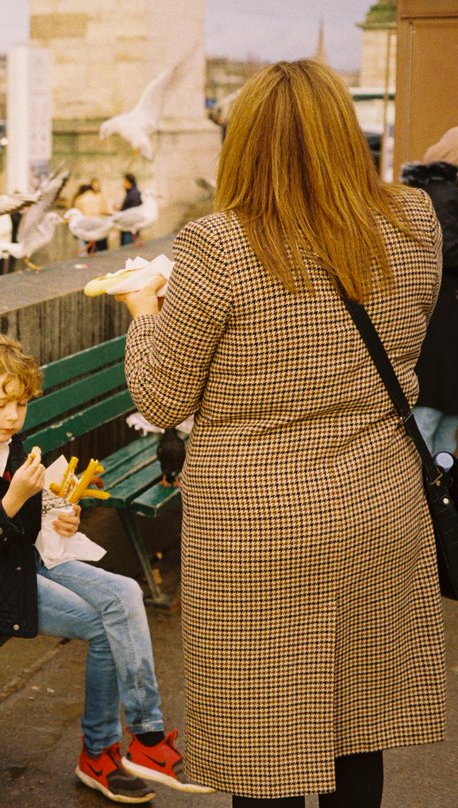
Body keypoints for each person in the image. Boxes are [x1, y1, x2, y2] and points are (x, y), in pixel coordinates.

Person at [113, 60, 446, 807]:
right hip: (380, 508)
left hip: (258, 530)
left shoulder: (218, 247)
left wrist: (143, 309)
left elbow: (162, 397)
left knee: (265, 747)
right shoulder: (412, 224)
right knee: (358, 732)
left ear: (245, 143)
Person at [0, 334, 210, 805]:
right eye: (1, 404)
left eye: (21, 405)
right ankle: (101, 753)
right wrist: (14, 500)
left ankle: (146, 736)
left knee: (125, 593)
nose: (13, 417)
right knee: (106, 624)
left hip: (15, 563)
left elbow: (24, 523)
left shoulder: (3, 438)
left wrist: (54, 513)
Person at [402, 126, 458, 456]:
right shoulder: (444, 193)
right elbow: (447, 251)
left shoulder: (430, 189)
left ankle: (437, 481)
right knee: (436, 405)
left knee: (440, 403)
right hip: (444, 315)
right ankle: (436, 483)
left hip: (438, 311)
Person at [73, 178, 111, 252]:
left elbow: (76, 215)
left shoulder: (79, 199)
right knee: (103, 251)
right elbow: (104, 210)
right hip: (99, 227)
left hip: (87, 229)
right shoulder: (99, 197)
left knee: (91, 252)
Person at [118, 173, 143, 246]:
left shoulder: (133, 194)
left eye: (125, 182)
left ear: (129, 182)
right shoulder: (134, 192)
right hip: (131, 225)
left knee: (128, 247)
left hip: (129, 225)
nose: (124, 185)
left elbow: (133, 210)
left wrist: (121, 209)